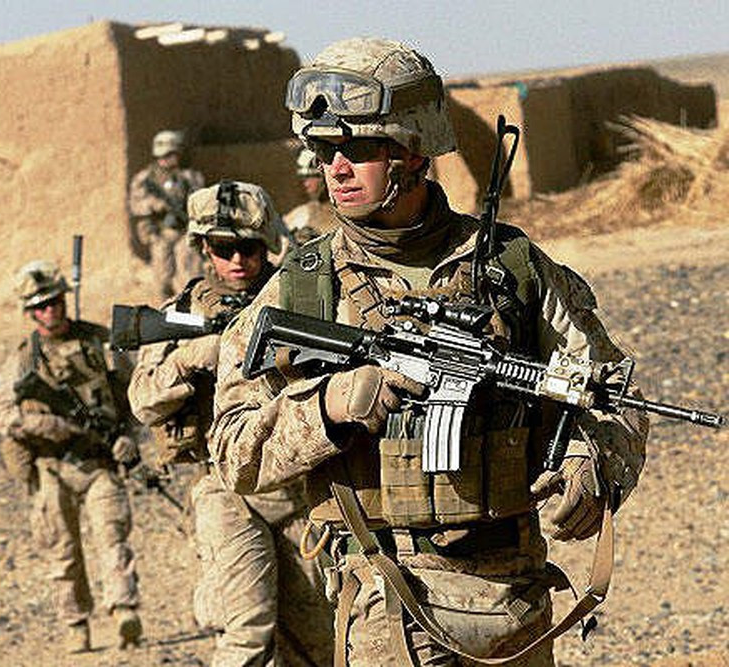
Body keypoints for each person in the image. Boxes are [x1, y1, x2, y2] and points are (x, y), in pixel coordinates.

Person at [208, 38, 649, 666]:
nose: (336, 168)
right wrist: (327, 407)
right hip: (386, 594)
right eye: (325, 151)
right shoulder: (304, 288)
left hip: (513, 599)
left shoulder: (511, 269)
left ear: (413, 150)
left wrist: (593, 465)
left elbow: (612, 394)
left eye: (359, 149)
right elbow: (233, 452)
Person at [127, 181, 333, 667]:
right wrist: (189, 361)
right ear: (204, 249)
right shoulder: (181, 316)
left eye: (249, 248)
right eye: (223, 249)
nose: (237, 260)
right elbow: (142, 401)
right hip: (224, 489)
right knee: (247, 632)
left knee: (317, 641)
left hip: (298, 489)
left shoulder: (296, 301)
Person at [0, 260, 142, 653]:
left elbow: (135, 395)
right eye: (40, 306)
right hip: (51, 468)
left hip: (100, 462)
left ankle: (123, 609)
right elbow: (1, 414)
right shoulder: (23, 359)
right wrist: (41, 425)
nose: (50, 310)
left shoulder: (99, 343)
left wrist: (128, 438)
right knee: (62, 552)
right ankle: (76, 624)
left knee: (113, 537)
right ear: (29, 312)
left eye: (55, 302)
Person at [128, 130, 206, 301]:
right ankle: (165, 310)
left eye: (170, 155)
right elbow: (136, 205)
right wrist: (155, 205)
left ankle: (190, 308)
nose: (166, 159)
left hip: (185, 232)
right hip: (160, 233)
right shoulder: (145, 179)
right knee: (162, 280)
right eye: (162, 156)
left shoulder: (190, 177)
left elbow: (200, 202)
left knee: (190, 276)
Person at [283, 148, 336, 245]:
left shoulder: (347, 215)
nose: (306, 184)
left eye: (310, 177)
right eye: (304, 178)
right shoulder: (298, 216)